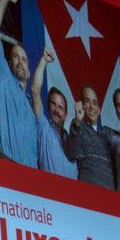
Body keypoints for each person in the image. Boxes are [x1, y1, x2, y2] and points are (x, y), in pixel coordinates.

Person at [0, 0, 37, 168]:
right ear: (8, 63)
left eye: (24, 59)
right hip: (6, 174)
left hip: (30, 184)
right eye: (15, 57)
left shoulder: (32, 112)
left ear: (29, 71)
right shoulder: (3, 79)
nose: (20, 62)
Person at [31, 47, 77, 178]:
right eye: (53, 104)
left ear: (66, 115)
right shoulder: (44, 128)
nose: (56, 110)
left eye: (60, 107)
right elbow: (35, 92)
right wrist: (44, 61)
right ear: (48, 107)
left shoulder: (72, 142)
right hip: (50, 195)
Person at [64, 84, 118, 189]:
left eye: (95, 102)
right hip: (88, 194)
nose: (92, 106)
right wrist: (77, 122)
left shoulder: (107, 132)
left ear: (99, 109)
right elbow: (72, 153)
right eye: (87, 101)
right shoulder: (78, 128)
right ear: (82, 105)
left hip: (110, 196)